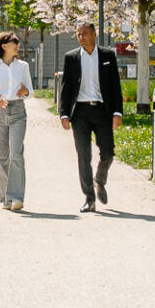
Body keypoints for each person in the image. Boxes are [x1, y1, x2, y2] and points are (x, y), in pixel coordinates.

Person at [57, 21, 122, 213]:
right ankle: (89, 198)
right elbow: (66, 88)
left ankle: (99, 180)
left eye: (84, 33)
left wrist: (117, 112)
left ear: (95, 34)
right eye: (78, 34)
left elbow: (115, 85)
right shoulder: (71, 57)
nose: (81, 37)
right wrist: (64, 113)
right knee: (83, 156)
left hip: (102, 110)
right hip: (80, 113)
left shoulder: (108, 55)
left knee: (108, 152)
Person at [0, 30, 32, 211]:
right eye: (14, 41)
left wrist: (25, 92)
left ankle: (16, 197)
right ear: (3, 45)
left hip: (18, 111)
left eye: (18, 42)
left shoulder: (23, 66)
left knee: (16, 154)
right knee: (0, 157)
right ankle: (5, 199)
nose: (17, 44)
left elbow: (30, 92)